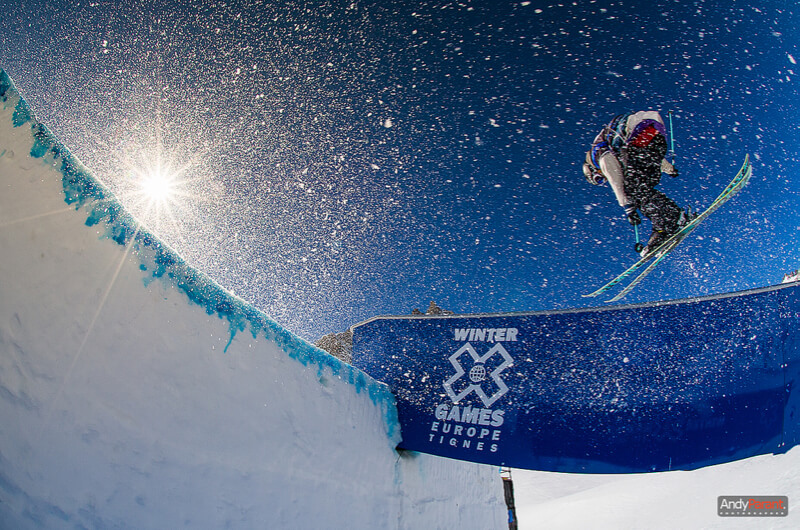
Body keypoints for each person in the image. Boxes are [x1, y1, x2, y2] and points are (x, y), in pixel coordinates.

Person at [582, 111, 692, 256]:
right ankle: (668, 222)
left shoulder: (597, 154)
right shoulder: (614, 146)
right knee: (640, 185)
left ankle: (670, 220)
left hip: (641, 130)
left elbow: (612, 172)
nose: (604, 179)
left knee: (633, 188)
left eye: (599, 179)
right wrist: (668, 169)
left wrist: (627, 207)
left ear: (591, 170)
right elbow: (647, 152)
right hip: (654, 132)